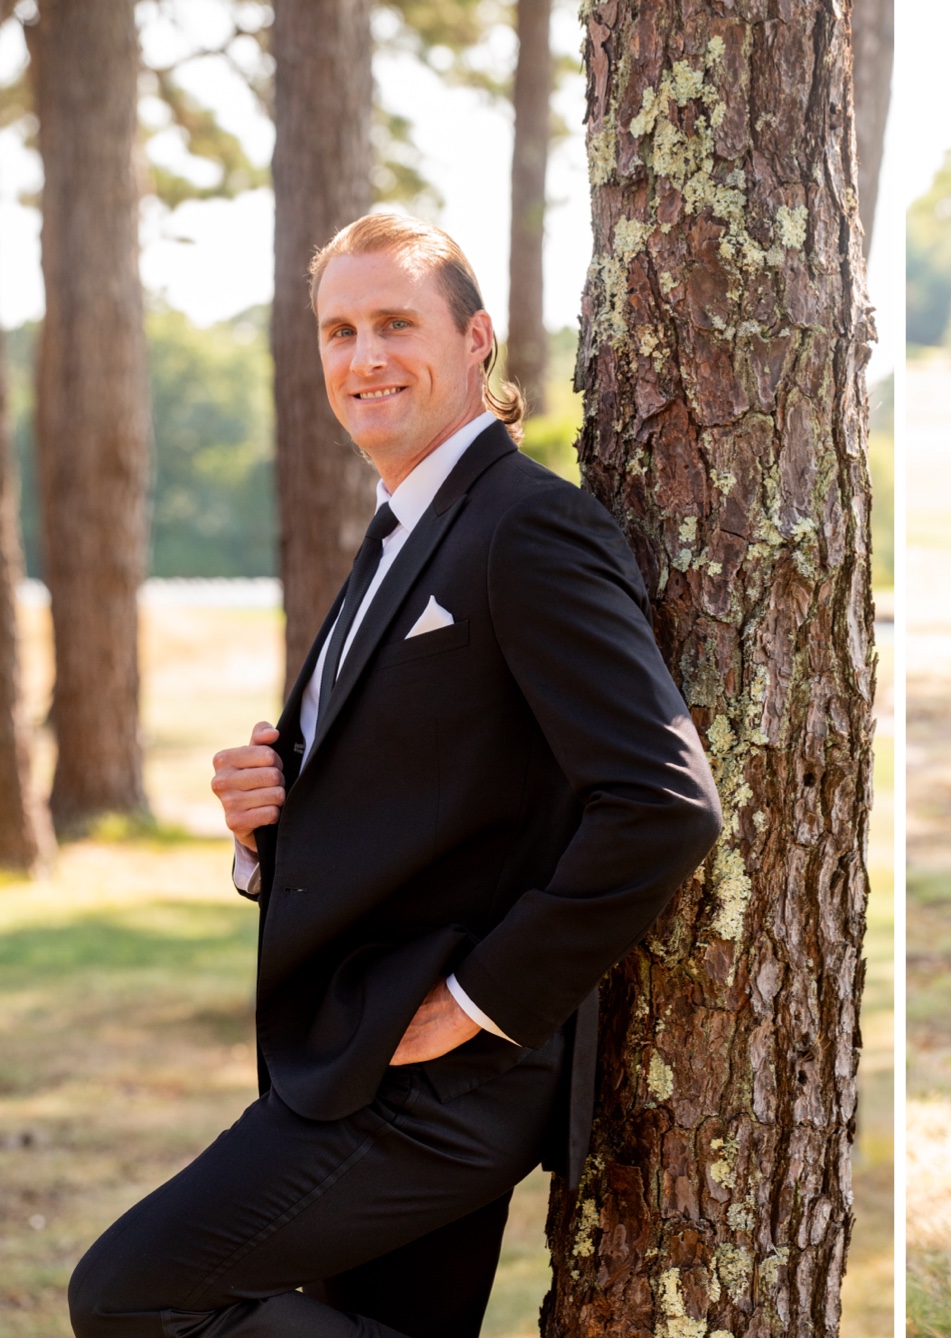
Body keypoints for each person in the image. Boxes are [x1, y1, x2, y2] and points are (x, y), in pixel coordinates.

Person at [66, 214, 722, 1338]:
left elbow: (662, 803)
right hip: (353, 1054)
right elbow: (445, 792)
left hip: (436, 1083)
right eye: (339, 330)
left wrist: (480, 1003)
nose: (364, 357)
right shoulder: (398, 531)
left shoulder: (526, 530)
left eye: (394, 325)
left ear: (475, 341)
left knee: (133, 1298)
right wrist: (261, 826)